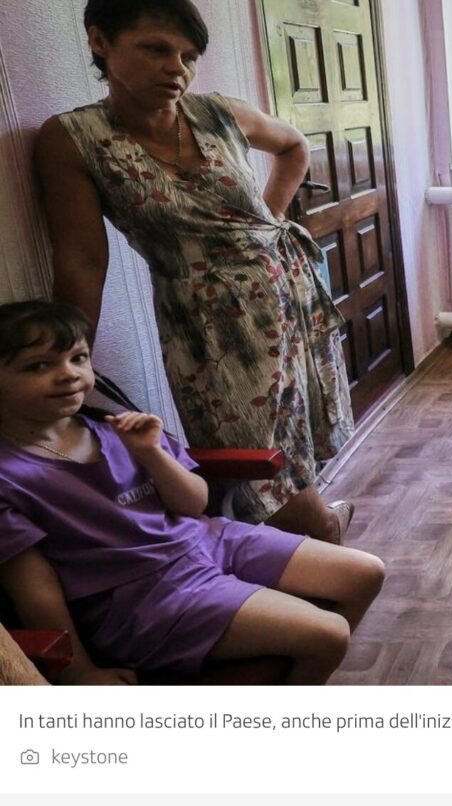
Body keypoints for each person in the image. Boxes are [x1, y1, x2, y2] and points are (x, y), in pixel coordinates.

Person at [34, 0, 354, 543]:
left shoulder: (217, 113)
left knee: (294, 442)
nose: (176, 69)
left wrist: (268, 222)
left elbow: (294, 147)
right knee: (252, 465)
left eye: (188, 56)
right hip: (205, 326)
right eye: (156, 49)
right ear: (100, 42)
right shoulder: (73, 139)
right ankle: (323, 532)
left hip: (287, 292)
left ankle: (316, 538)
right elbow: (82, 260)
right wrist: (69, 359)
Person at [0, 300, 386, 685]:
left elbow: (193, 504)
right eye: (38, 366)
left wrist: (151, 454)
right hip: (141, 593)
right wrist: (80, 670)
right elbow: (34, 587)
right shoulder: (10, 477)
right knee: (329, 633)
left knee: (366, 573)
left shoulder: (111, 427)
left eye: (78, 358)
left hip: (204, 540)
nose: (68, 374)